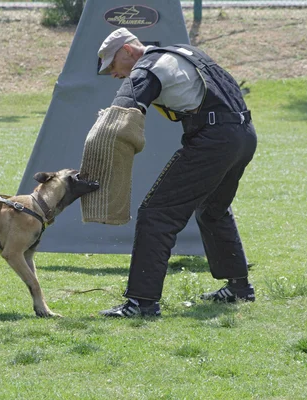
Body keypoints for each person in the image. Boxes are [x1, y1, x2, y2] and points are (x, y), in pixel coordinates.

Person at [92, 28, 257, 317]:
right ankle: (239, 289)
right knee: (213, 209)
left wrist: (99, 139)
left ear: (128, 51)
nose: (113, 75)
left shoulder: (148, 66)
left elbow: (123, 110)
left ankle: (142, 303)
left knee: (156, 214)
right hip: (244, 134)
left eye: (112, 67)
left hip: (214, 139)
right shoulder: (183, 52)